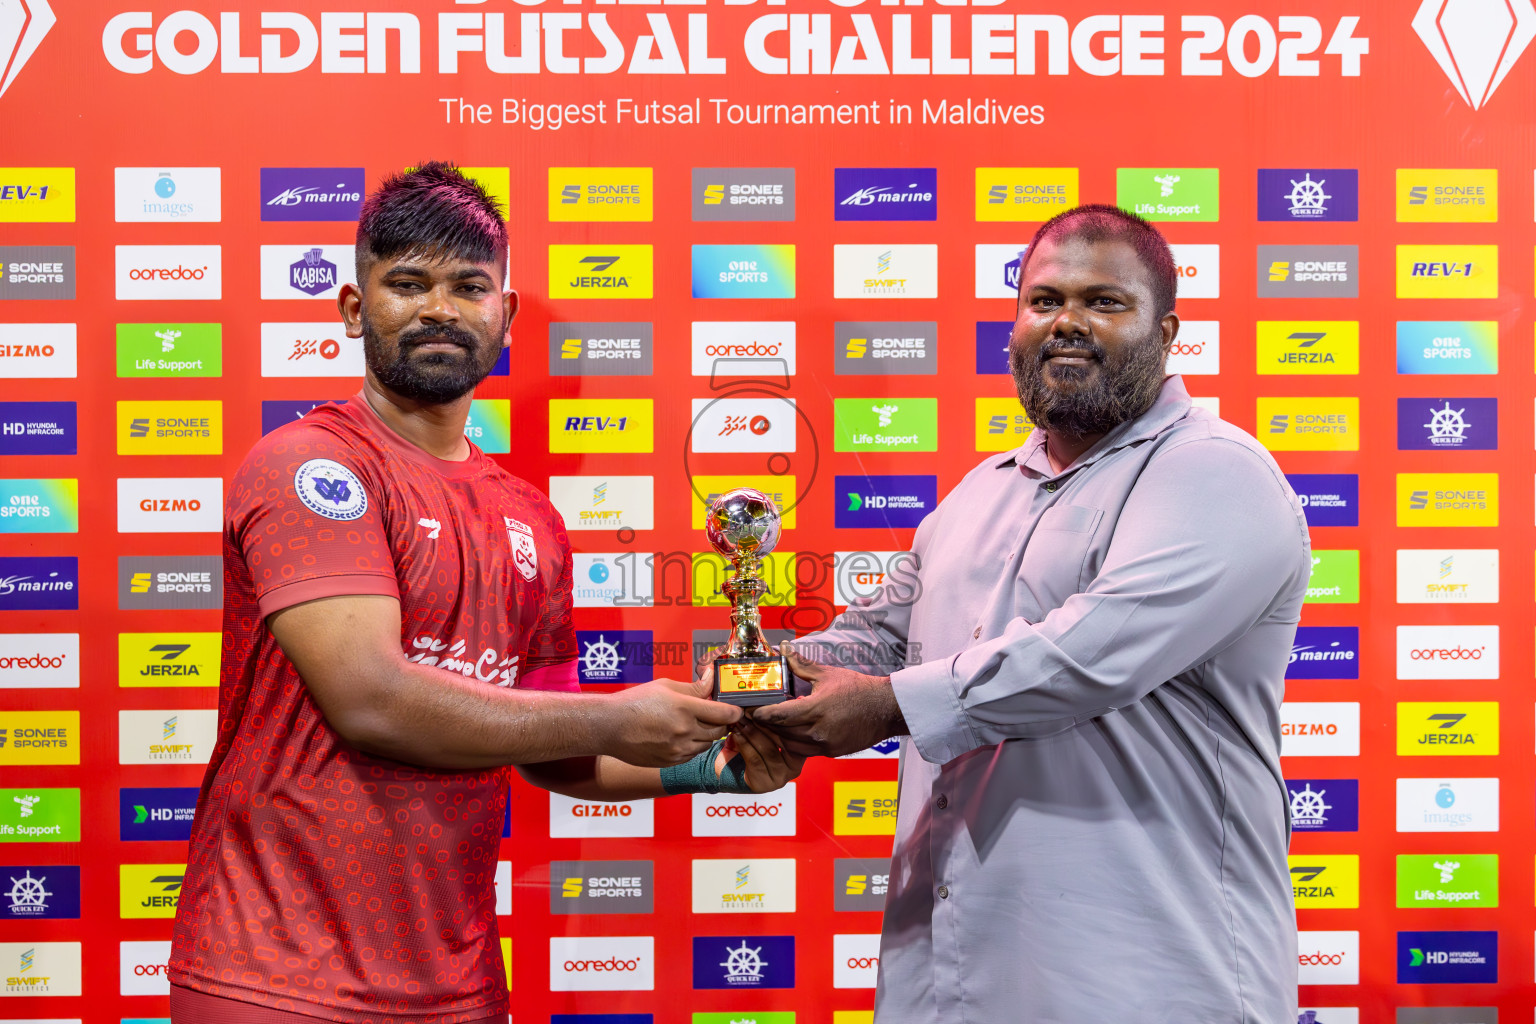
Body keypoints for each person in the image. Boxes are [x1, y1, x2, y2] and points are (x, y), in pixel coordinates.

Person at [168, 163, 802, 1024]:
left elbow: (548, 744)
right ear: (355, 310)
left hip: (458, 984)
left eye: (469, 285)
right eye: (407, 283)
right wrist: (613, 717)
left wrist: (708, 762)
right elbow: (371, 699)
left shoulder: (530, 518)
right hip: (277, 972)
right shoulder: (310, 466)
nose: (439, 308)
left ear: (504, 314)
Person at [754, 204, 1309, 1022]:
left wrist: (882, 706)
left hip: (1146, 975)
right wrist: (763, 682)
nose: (1068, 324)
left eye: (1104, 302)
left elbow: (1087, 656)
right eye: (1044, 301)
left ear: (1169, 331)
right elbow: (880, 635)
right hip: (953, 975)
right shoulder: (981, 491)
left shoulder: (1216, 473)